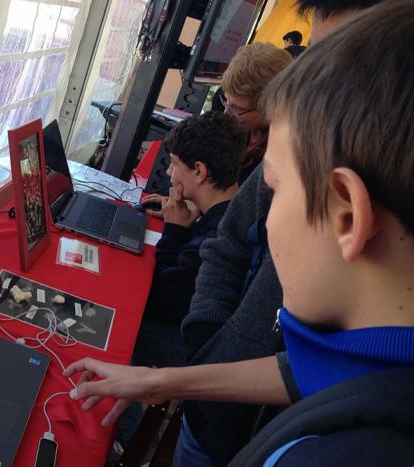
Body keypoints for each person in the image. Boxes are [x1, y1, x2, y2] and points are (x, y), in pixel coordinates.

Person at [64, 3, 414, 466]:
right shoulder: (372, 363)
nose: (263, 221)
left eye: (275, 188)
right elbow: (304, 371)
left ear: (347, 217)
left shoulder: (331, 453)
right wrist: (158, 381)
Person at [177, 0, 384, 464]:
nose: (270, 223)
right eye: (315, 57)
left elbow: (312, 367)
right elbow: (227, 244)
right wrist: (208, 338)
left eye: (279, 188)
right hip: (214, 418)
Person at [114, 112, 245, 450]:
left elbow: (164, 296)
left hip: (197, 350)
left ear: (199, 171)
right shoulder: (229, 209)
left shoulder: (219, 234)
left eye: (174, 165)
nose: (170, 174)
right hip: (206, 334)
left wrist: (173, 230)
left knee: (123, 331)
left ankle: (119, 436)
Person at [217, 43, 292, 183]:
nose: (226, 113)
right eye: (225, 101)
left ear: (272, 108)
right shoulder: (236, 128)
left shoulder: (288, 158)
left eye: (237, 109)